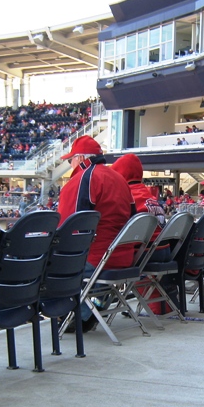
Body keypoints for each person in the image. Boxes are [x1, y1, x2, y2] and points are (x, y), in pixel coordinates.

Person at [57, 135, 134, 330]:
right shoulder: (120, 180)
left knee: (50, 262)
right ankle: (89, 311)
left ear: (81, 158)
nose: (70, 164)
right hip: (123, 257)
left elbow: (67, 228)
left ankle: (75, 317)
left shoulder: (83, 179)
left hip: (96, 258)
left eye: (71, 159)